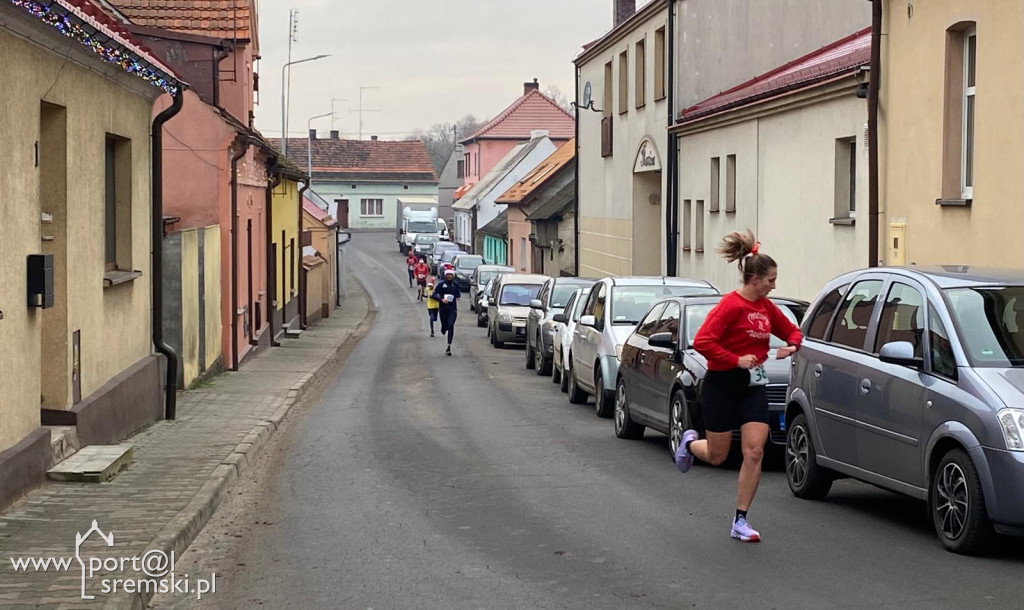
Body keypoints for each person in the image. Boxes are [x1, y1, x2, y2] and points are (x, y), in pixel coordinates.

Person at [673, 230, 802, 543]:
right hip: (721, 383)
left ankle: (740, 520)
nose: (774, 285)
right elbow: (702, 341)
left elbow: (793, 332)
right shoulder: (730, 306)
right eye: (771, 279)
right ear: (755, 279)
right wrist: (734, 359)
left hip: (753, 386)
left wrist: (791, 347)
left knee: (755, 451)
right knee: (718, 455)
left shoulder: (767, 309)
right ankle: (690, 443)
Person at [431, 267, 461, 356]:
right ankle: (443, 328)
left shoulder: (455, 284)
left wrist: (457, 297)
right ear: (445, 275)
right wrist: (441, 299)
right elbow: (434, 294)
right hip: (443, 308)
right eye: (448, 275)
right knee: (445, 326)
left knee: (451, 325)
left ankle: (449, 347)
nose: (449, 276)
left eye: (451, 275)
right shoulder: (441, 284)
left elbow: (458, 294)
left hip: (452, 308)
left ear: (453, 275)